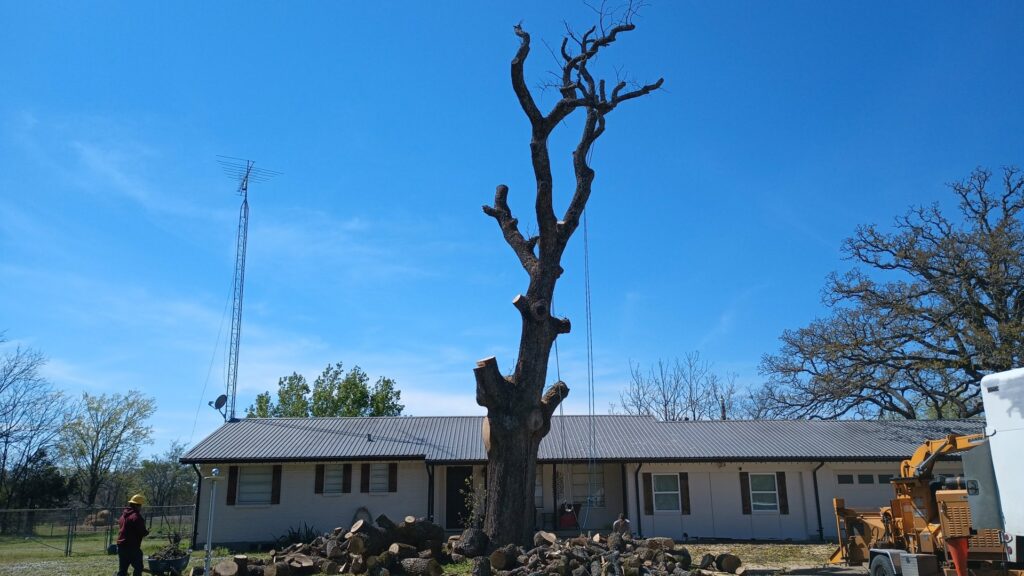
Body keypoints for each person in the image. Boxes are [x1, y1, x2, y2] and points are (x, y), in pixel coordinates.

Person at [116, 494, 150, 576]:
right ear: (136, 505)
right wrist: (147, 532)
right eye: (140, 505)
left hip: (121, 546)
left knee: (122, 570)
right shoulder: (136, 516)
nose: (140, 508)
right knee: (138, 567)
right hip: (132, 546)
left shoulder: (123, 516)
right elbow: (142, 531)